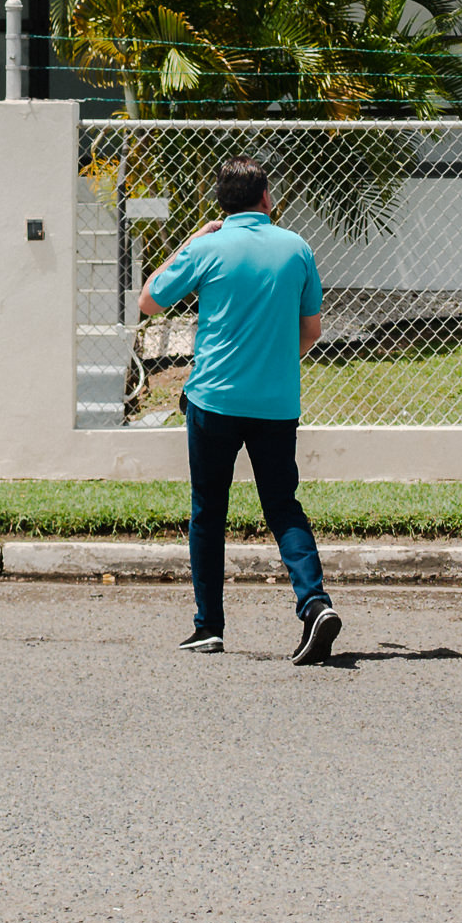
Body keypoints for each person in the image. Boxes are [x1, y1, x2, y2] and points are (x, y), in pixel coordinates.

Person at [139, 156, 340, 664]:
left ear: (220, 204)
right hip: (276, 404)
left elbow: (148, 301)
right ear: (266, 198)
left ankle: (209, 626)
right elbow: (312, 331)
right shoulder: (297, 248)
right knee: (282, 504)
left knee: (209, 509)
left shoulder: (207, 247)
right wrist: (273, 365)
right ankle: (314, 603)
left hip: (214, 401)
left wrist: (192, 238)